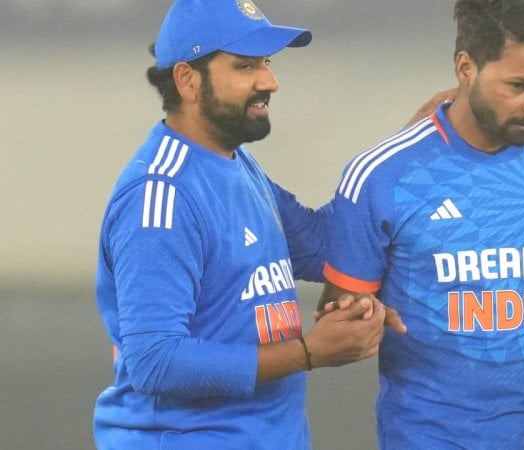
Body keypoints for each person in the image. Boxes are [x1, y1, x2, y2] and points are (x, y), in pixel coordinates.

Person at [91, 0, 449, 447]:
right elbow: (156, 362)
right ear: (187, 80)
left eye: (266, 62)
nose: (270, 81)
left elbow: (322, 247)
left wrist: (402, 154)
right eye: (245, 66)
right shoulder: (160, 195)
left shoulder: (236, 164)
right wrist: (310, 351)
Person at [318, 0, 524, 449]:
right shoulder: (384, 174)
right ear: (466, 67)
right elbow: (338, 317)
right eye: (518, 85)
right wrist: (359, 320)